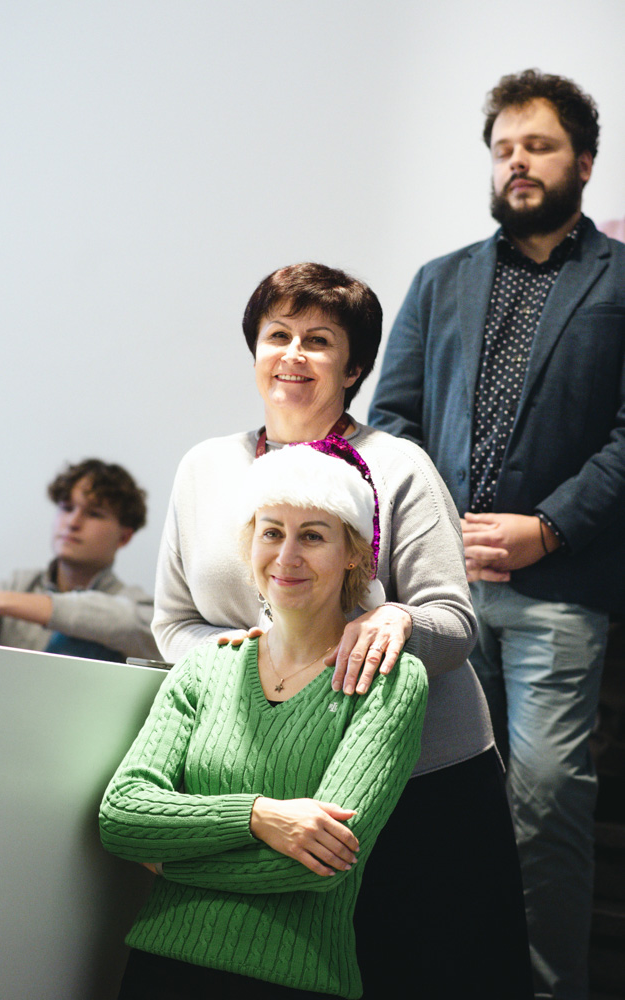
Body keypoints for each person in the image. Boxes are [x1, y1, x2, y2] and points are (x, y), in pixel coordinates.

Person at [153, 262, 533, 998]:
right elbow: (174, 622)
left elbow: (453, 622)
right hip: (270, 778)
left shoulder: (398, 464)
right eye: (277, 335)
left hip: (422, 781)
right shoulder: (206, 468)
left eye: (319, 340)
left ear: (354, 367)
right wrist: (251, 661)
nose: (292, 355)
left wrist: (396, 617)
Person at [368, 69, 625, 1000]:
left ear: (582, 162)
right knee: (429, 797)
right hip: (438, 593)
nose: (517, 163)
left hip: (560, 587)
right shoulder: (439, 281)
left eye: (538, 146)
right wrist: (434, 530)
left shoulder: (619, 279)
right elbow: (389, 422)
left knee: (545, 799)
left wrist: (547, 528)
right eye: (504, 148)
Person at [100, 442, 428, 999]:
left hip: (294, 980)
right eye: (272, 532)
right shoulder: (207, 665)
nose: (287, 556)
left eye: (313, 536)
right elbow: (122, 816)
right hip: (158, 968)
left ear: (353, 553)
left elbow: (319, 865)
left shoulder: (390, 681)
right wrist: (257, 816)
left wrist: (168, 862)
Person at [0, 458, 159, 663]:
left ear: (124, 537)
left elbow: (130, 625)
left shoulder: (137, 606)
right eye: (67, 508)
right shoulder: (19, 584)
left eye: (94, 514)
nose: (73, 522)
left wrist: (2, 602)